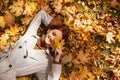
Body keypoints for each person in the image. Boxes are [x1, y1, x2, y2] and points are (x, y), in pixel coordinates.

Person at [0, 9, 65, 80]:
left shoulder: (46, 61)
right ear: (48, 30)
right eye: (53, 33)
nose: (52, 38)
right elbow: (41, 14)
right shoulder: (31, 34)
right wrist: (54, 24)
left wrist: (57, 59)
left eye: (56, 39)